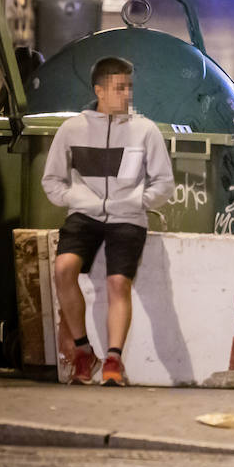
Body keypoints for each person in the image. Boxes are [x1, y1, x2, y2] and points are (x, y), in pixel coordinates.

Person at [42, 57, 175, 386]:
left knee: (118, 283)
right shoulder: (72, 129)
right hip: (84, 215)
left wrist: (137, 201)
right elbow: (52, 180)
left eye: (129, 87)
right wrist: (75, 199)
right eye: (119, 88)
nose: (126, 94)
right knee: (63, 269)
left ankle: (114, 360)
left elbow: (164, 183)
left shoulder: (145, 131)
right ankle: (84, 350)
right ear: (99, 90)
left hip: (128, 217)